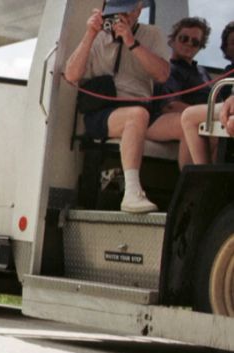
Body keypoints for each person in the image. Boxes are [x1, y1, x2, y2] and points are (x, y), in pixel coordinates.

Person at [64, 0, 183, 214]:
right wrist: (90, 34)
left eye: (125, 13)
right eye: (115, 12)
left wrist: (131, 42)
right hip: (104, 113)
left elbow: (163, 75)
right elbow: (72, 75)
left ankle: (187, 198)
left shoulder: (151, 34)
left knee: (187, 123)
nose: (120, 18)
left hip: (144, 109)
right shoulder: (98, 36)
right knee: (136, 116)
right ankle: (132, 193)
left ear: (138, 11)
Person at [180, 21, 234, 165]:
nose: (189, 44)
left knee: (190, 117)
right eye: (233, 43)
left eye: (195, 42)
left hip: (224, 110)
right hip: (222, 109)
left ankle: (203, 179)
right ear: (226, 48)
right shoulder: (226, 75)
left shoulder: (204, 74)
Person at [157, 17, 212, 114]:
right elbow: (170, 106)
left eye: (195, 42)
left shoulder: (203, 72)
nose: (189, 43)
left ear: (200, 47)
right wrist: (211, 115)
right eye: (184, 39)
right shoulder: (167, 69)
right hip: (196, 122)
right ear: (172, 41)